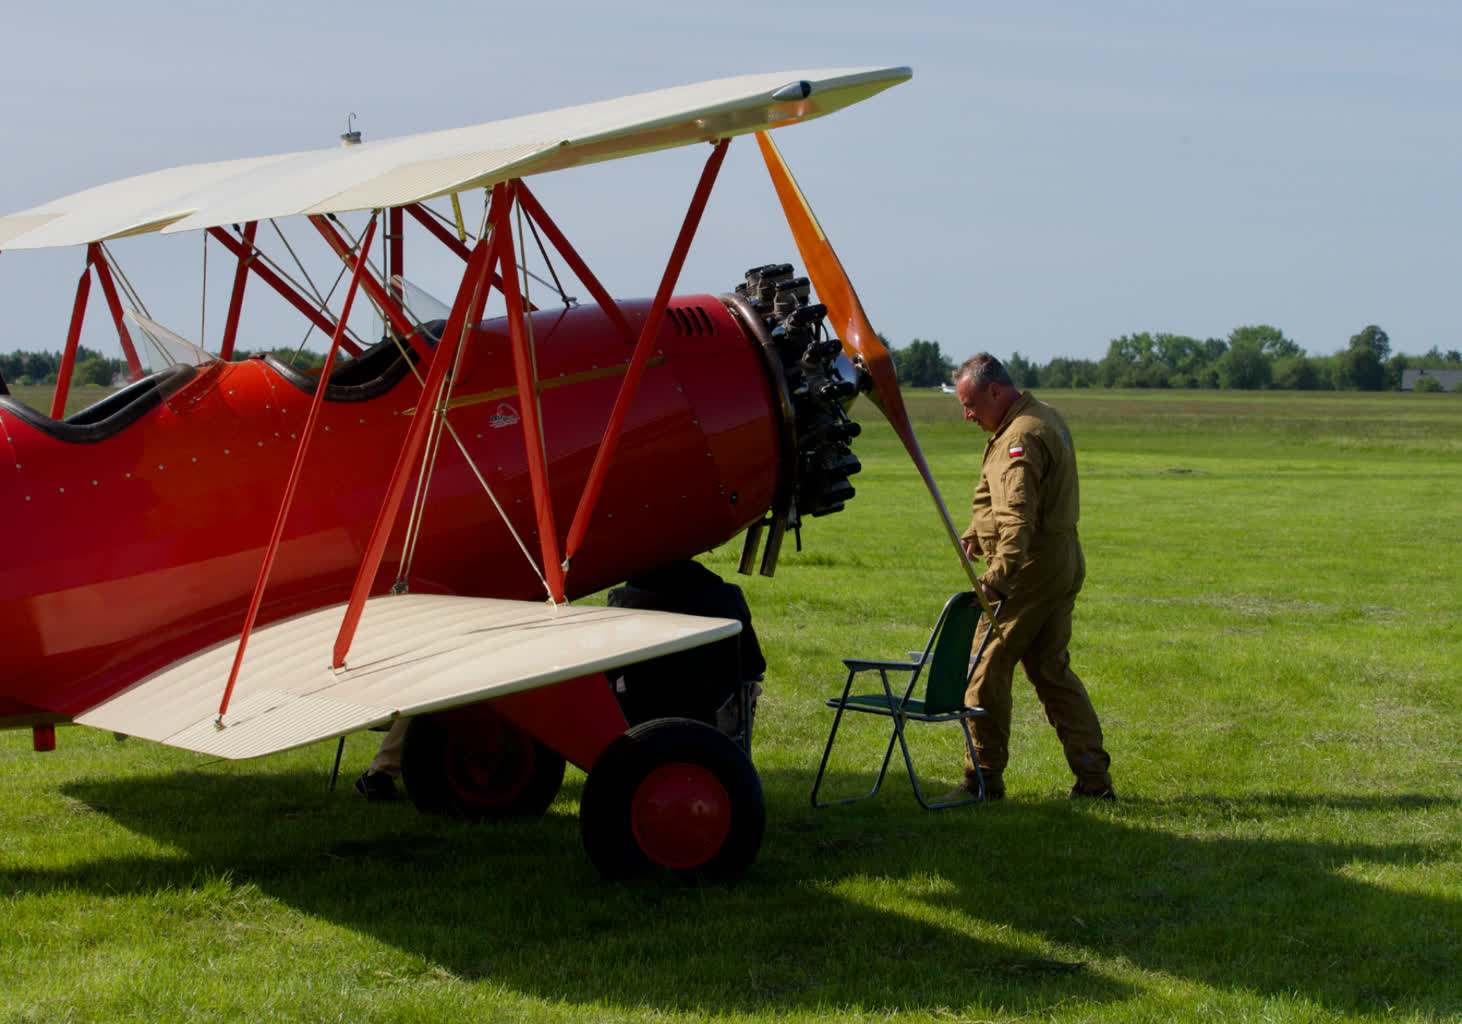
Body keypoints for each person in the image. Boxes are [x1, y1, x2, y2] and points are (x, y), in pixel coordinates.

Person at [947, 353, 1114, 801]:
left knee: (983, 669)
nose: (967, 415)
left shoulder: (1019, 436)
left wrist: (999, 576)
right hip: (1059, 560)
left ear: (995, 392)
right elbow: (999, 499)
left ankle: (981, 780)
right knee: (1050, 671)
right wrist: (976, 533)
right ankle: (1093, 780)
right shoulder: (1040, 418)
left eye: (971, 404)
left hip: (1030, 568)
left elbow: (1018, 515)